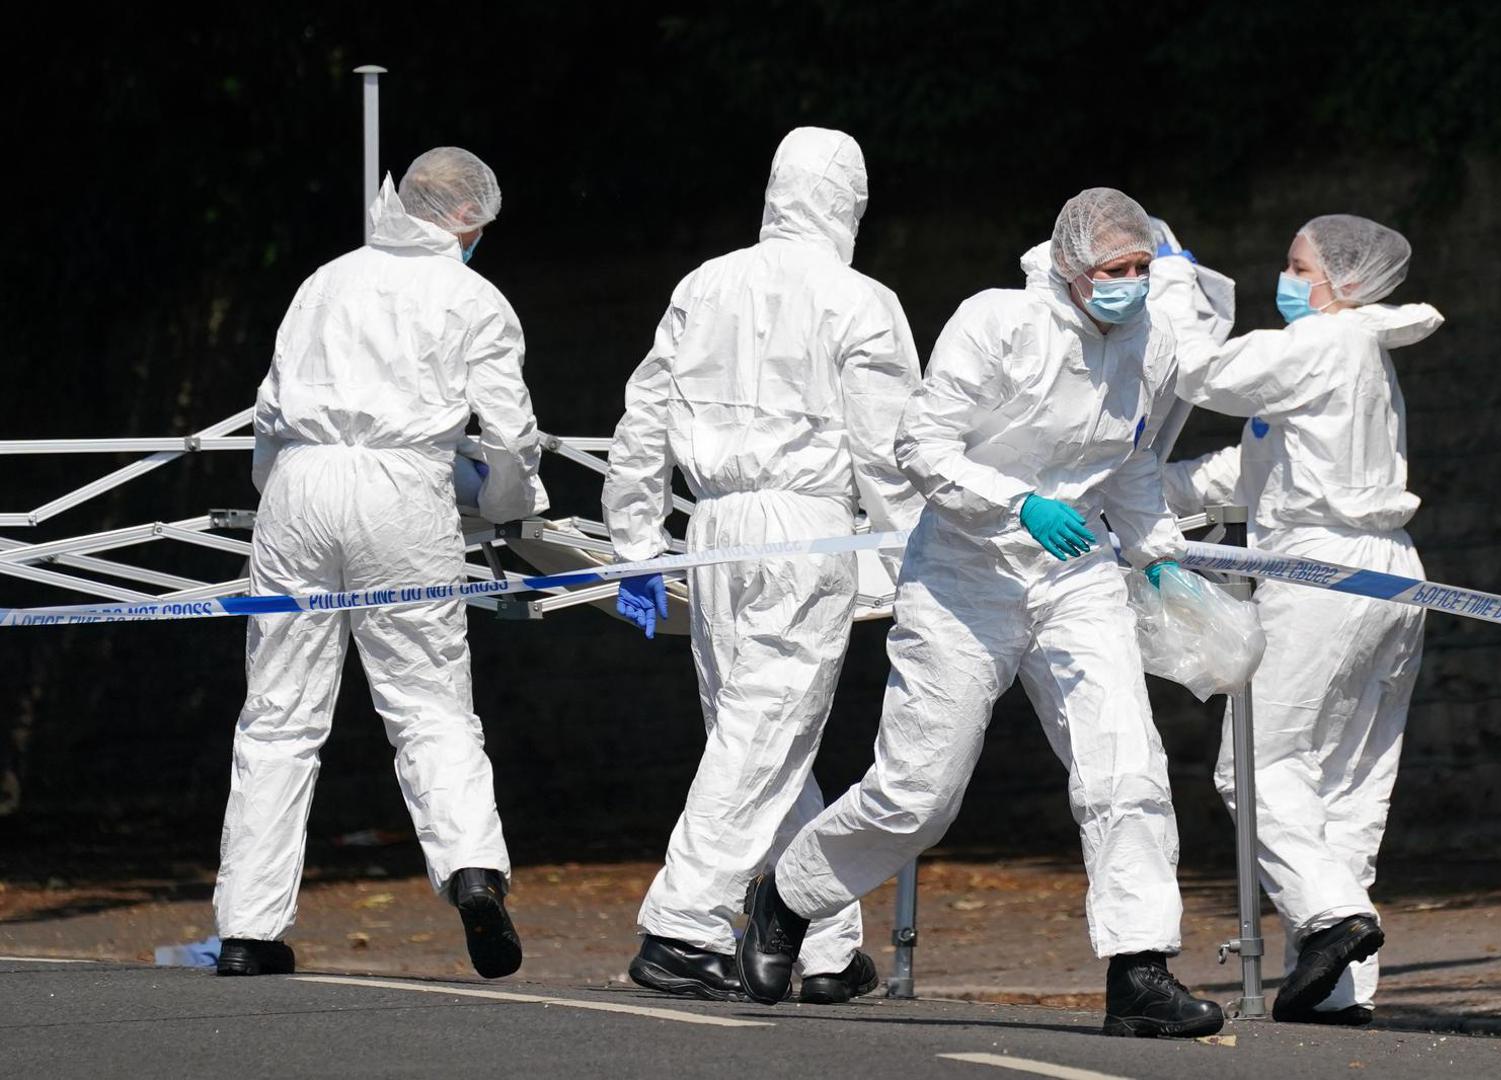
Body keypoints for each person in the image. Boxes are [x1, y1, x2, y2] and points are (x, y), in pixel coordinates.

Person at [736, 188, 1225, 1039]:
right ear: (1073, 269)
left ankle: (1140, 970)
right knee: (920, 793)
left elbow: (1132, 464)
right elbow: (921, 445)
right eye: (1117, 270)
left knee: (1127, 766)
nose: (1133, 285)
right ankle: (788, 894)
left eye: (1144, 268)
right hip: (965, 574)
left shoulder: (1148, 344)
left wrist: (1161, 556)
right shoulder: (999, 322)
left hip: (1076, 576)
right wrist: (1017, 502)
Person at [601, 127, 923, 1005]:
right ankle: (684, 923)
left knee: (759, 735)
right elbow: (889, 453)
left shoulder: (701, 285)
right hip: (805, 530)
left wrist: (634, 544)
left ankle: (823, 942)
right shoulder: (860, 300)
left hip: (713, 530)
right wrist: (915, 557)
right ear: (850, 201)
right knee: (765, 733)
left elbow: (642, 421)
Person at [212, 147, 546, 980]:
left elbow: (268, 413)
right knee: (429, 701)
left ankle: (249, 930)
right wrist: (508, 507)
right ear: (468, 221)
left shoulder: (323, 282)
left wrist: (279, 490)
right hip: (404, 491)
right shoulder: (473, 297)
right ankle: (472, 869)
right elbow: (508, 437)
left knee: (278, 715)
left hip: (298, 488)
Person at [1153, 214, 1441, 1024]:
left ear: (1340, 281)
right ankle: (1341, 989)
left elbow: (1203, 370)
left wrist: (1175, 283)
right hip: (1388, 574)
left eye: (1296, 264)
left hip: (1324, 576)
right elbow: (1247, 474)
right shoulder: (1356, 357)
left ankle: (1330, 917)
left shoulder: (1323, 344)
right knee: (1346, 778)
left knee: (1254, 763)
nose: (1286, 278)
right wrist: (1130, 502)